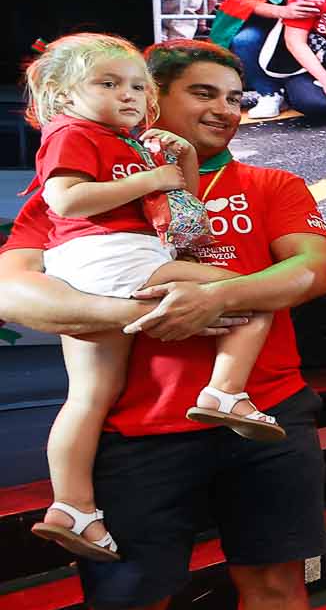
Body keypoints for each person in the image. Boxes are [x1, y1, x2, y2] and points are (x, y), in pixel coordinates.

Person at [0, 39, 326, 610]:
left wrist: (218, 297)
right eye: (206, 94)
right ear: (152, 101)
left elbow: (311, 269)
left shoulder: (271, 179)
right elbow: (13, 290)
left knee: (278, 582)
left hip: (267, 415)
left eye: (237, 97)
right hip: (140, 433)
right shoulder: (87, 175)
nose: (227, 108)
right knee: (124, 608)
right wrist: (136, 310)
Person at [22, 33, 280, 560]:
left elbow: (179, 202)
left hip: (109, 259)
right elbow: (66, 200)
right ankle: (225, 391)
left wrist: (173, 160)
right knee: (246, 295)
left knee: (90, 396)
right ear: (63, 92)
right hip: (111, 256)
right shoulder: (72, 132)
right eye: (110, 84)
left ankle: (73, 507)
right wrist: (153, 177)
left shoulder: (127, 142)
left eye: (137, 87)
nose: (129, 96)